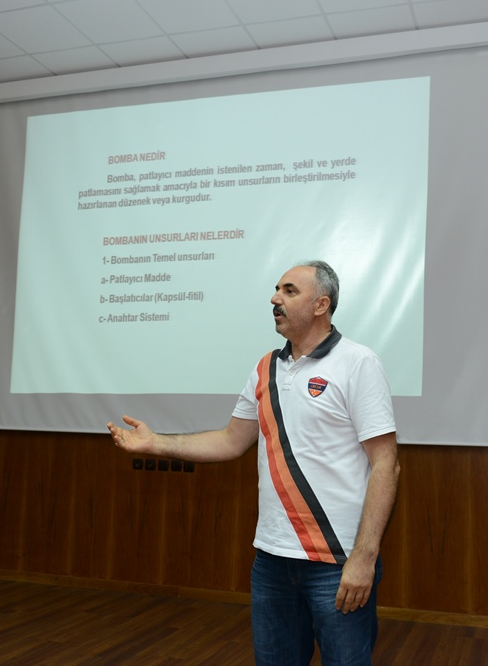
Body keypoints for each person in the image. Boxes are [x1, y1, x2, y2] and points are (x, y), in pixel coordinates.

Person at [107, 260, 400, 666]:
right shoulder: (266, 368)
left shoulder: (358, 362)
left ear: (321, 304)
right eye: (277, 289)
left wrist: (364, 558)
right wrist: (156, 443)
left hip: (337, 562)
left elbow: (386, 465)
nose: (275, 298)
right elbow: (231, 440)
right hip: (272, 563)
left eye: (289, 291)